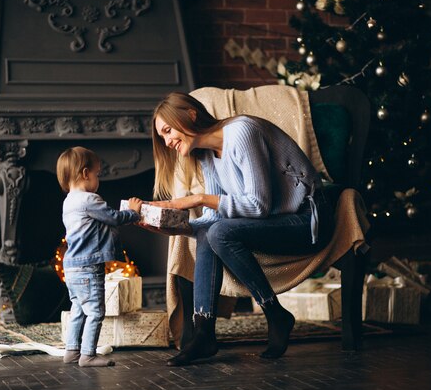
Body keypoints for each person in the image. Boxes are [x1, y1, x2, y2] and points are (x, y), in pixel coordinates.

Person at [143, 92, 333, 366]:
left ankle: (275, 314)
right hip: (274, 223)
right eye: (162, 137)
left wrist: (196, 199)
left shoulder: (242, 132)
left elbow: (258, 206)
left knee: (220, 232)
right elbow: (212, 218)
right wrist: (177, 228)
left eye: (168, 130)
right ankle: (203, 333)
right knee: (213, 231)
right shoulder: (206, 154)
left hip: (308, 220)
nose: (167, 141)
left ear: (190, 114)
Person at [56, 146, 142, 367]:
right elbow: (113, 217)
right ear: (85, 174)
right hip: (88, 266)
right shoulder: (89, 199)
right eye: (97, 174)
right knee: (96, 311)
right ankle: (88, 355)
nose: (97, 179)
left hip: (71, 266)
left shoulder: (68, 201)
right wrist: (133, 212)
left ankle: (72, 351)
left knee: (78, 309)